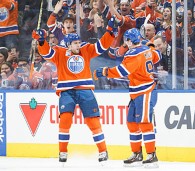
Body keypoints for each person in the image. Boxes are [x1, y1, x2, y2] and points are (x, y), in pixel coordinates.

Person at [32, 17, 117, 163]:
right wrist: (41, 41)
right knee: (65, 120)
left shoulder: (86, 49)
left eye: (79, 42)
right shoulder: (59, 51)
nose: (79, 45)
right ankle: (63, 152)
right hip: (67, 90)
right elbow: (46, 54)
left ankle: (103, 151)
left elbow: (101, 46)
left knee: (93, 121)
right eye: (75, 43)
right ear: (68, 45)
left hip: (85, 89)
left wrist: (109, 31)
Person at [94, 28, 162, 167]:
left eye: (126, 41)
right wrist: (150, 46)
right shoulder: (147, 50)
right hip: (137, 92)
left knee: (144, 123)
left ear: (130, 41)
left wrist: (105, 71)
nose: (125, 44)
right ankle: (137, 153)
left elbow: (122, 71)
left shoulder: (133, 54)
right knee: (131, 122)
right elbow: (158, 55)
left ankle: (151, 155)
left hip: (145, 91)